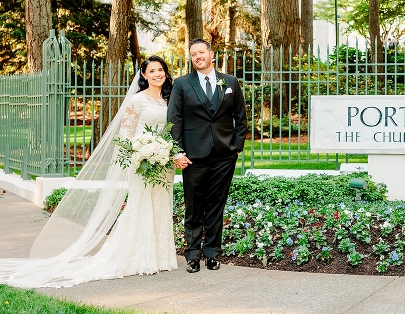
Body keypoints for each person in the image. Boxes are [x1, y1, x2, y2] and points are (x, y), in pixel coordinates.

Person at [0, 56, 179, 288]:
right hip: (142, 161)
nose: (157, 74)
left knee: (161, 204)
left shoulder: (169, 98)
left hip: (164, 161)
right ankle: (138, 257)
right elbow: (125, 134)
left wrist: (165, 150)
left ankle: (161, 257)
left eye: (161, 70)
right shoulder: (136, 100)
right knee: (141, 205)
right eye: (152, 71)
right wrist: (143, 150)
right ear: (143, 75)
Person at [168, 38, 247, 273]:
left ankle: (212, 253)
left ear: (211, 54)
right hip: (193, 155)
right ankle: (192, 255)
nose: (198, 57)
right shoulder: (182, 84)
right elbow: (174, 120)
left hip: (224, 155)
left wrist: (236, 147)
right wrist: (177, 151)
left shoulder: (230, 82)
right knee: (194, 206)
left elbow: (240, 118)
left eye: (201, 52)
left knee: (216, 206)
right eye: (193, 54)